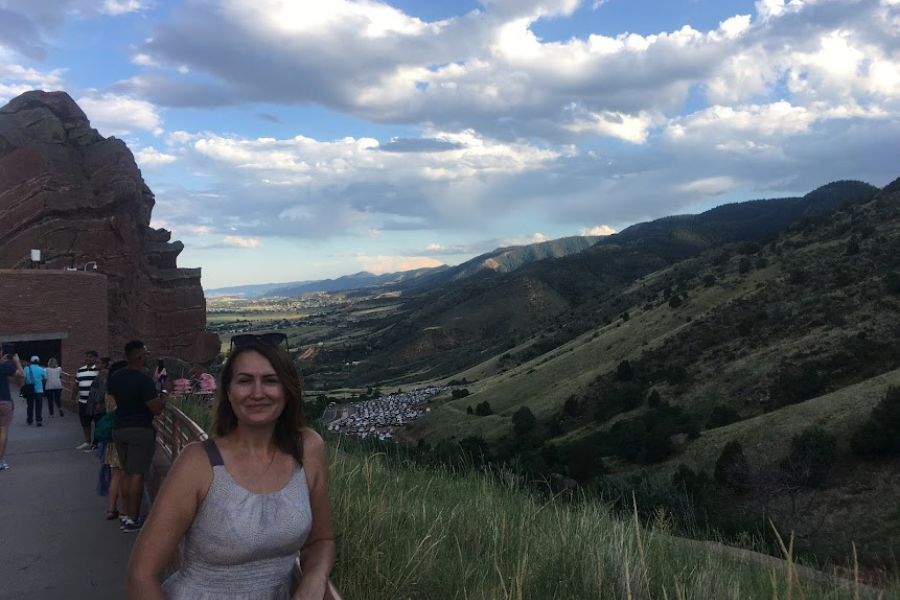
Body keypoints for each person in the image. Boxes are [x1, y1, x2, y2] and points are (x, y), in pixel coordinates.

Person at [126, 338, 335, 600]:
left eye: (270, 380)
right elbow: (140, 576)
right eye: (245, 380)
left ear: (287, 389)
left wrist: (314, 579)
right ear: (228, 391)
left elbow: (321, 541)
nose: (257, 393)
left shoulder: (309, 449)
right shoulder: (198, 463)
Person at [109, 340, 167, 533]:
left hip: (119, 429)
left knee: (126, 472)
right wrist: (162, 393)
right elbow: (156, 409)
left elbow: (118, 397)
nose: (147, 356)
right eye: (146, 353)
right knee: (136, 475)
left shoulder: (116, 376)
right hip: (139, 430)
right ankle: (133, 519)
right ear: (140, 356)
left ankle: (125, 514)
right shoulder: (144, 381)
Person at [103, 360, 128, 521]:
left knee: (115, 475)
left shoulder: (108, 393)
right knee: (124, 475)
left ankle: (112, 509)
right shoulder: (123, 393)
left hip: (112, 437)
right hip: (124, 435)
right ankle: (125, 511)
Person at [0, 354, 25, 470]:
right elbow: (21, 375)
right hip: (4, 401)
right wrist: (17, 362)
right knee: (3, 431)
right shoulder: (4, 367)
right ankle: (0, 461)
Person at [75, 350, 101, 449]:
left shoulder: (98, 370)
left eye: (90, 357)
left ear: (95, 358)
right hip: (83, 401)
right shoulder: (80, 370)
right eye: (86, 356)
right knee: (85, 422)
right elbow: (76, 384)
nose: (87, 358)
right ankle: (87, 441)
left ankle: (97, 442)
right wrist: (74, 397)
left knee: (98, 422)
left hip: (95, 402)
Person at [85, 357, 111, 450]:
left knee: (99, 422)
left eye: (98, 363)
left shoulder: (103, 373)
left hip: (100, 403)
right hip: (99, 401)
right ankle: (97, 442)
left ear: (104, 364)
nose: (96, 365)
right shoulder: (102, 373)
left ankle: (97, 443)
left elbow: (102, 388)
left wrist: (98, 401)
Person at [23, 356, 47, 427]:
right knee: (39, 406)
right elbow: (45, 379)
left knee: (30, 405)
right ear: (38, 362)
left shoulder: (26, 369)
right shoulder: (42, 369)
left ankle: (29, 420)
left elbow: (24, 378)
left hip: (30, 390)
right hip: (39, 390)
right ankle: (38, 420)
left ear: (31, 362)